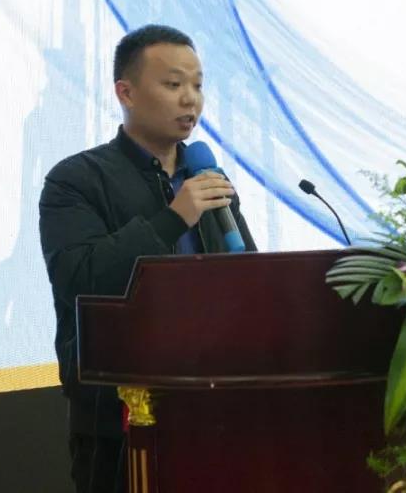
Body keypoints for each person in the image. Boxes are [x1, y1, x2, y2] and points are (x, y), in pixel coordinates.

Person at [39, 24, 257, 493]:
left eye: (197, 85)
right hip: (118, 421)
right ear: (127, 92)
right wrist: (173, 219)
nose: (190, 99)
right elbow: (79, 278)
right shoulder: (76, 180)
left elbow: (250, 282)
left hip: (217, 410)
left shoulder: (208, 178)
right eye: (174, 84)